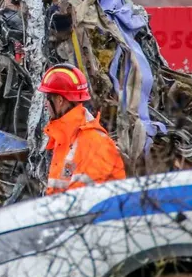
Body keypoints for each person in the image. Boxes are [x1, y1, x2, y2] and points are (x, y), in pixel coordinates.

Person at [39, 63, 126, 194]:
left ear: (59, 100)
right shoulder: (67, 138)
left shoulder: (91, 142)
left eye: (48, 98)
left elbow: (80, 203)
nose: (46, 104)